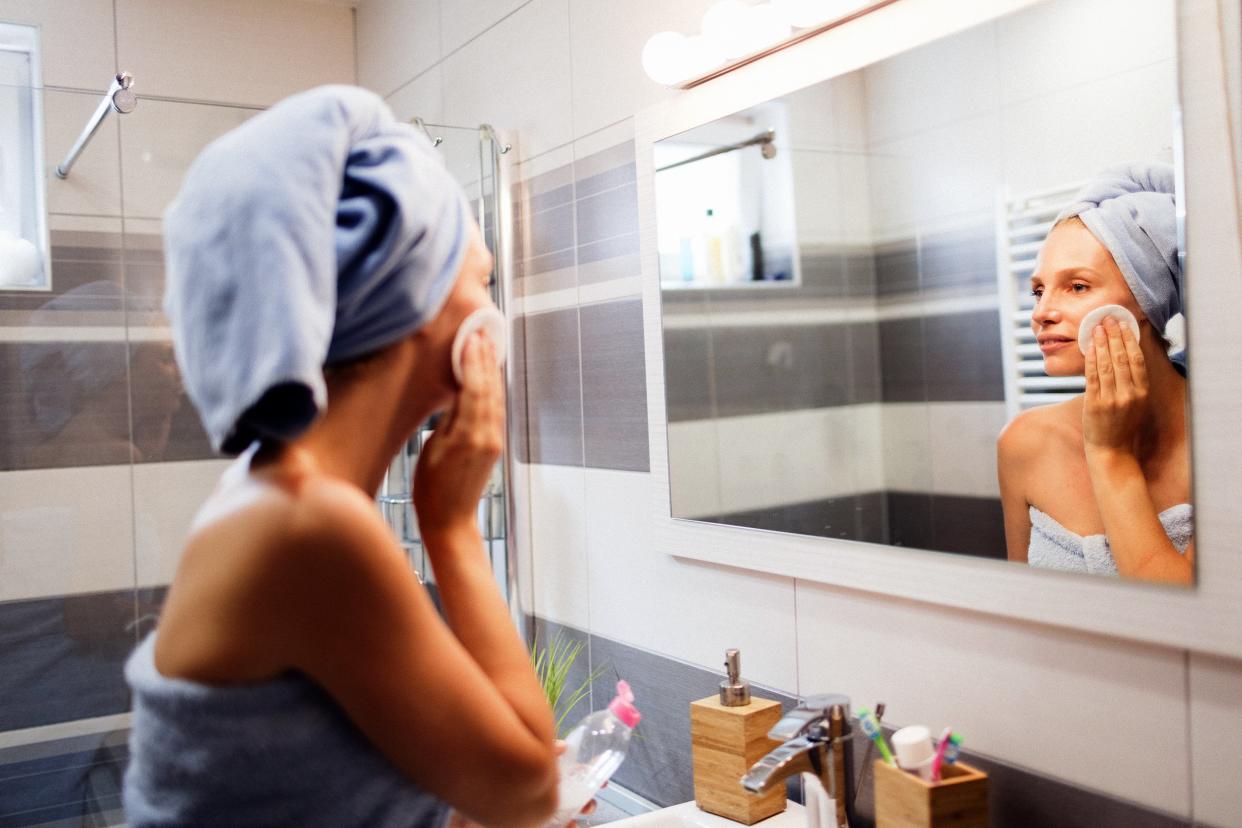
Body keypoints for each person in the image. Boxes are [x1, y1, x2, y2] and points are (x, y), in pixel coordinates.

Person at [123, 86, 569, 826]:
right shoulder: (309, 525)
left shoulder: (280, 498)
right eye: (480, 279)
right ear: (416, 301)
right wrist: (451, 529)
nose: (492, 298)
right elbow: (526, 791)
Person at [997, 163, 1192, 585]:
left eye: (1077, 286)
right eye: (1038, 290)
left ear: (1146, 299)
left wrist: (1110, 453)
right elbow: (1026, 611)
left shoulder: (1224, 442)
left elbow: (1192, 630)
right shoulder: (1024, 445)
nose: (1042, 313)